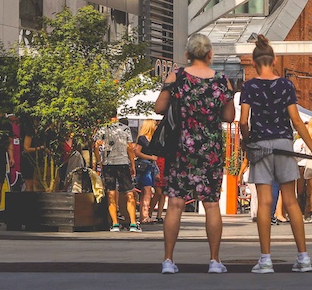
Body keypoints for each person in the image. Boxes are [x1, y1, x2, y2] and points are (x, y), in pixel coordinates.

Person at [239, 34, 312, 274]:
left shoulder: (249, 86)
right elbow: (297, 121)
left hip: (260, 145)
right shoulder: (286, 85)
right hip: (284, 143)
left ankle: (265, 259)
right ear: (274, 60)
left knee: (265, 202)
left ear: (255, 63)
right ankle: (303, 257)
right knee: (290, 201)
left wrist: (247, 142)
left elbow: (244, 121)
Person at [153, 34, 235, 274]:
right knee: (211, 204)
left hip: (181, 146)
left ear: (187, 54)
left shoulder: (177, 77)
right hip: (210, 149)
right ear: (210, 55)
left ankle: (168, 260)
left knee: (175, 203)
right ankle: (214, 260)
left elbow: (159, 107)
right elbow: (229, 116)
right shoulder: (222, 81)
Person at [94, 116, 139, 232]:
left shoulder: (103, 129)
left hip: (108, 163)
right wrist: (132, 164)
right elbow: (129, 147)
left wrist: (100, 161)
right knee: (129, 193)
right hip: (123, 162)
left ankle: (115, 224)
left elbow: (96, 146)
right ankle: (133, 223)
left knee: (111, 193)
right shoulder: (125, 128)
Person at [132, 123, 161, 224]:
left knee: (146, 191)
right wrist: (150, 157)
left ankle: (143, 215)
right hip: (143, 165)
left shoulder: (154, 138)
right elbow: (137, 152)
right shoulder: (142, 138)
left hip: (151, 166)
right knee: (147, 191)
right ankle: (144, 215)